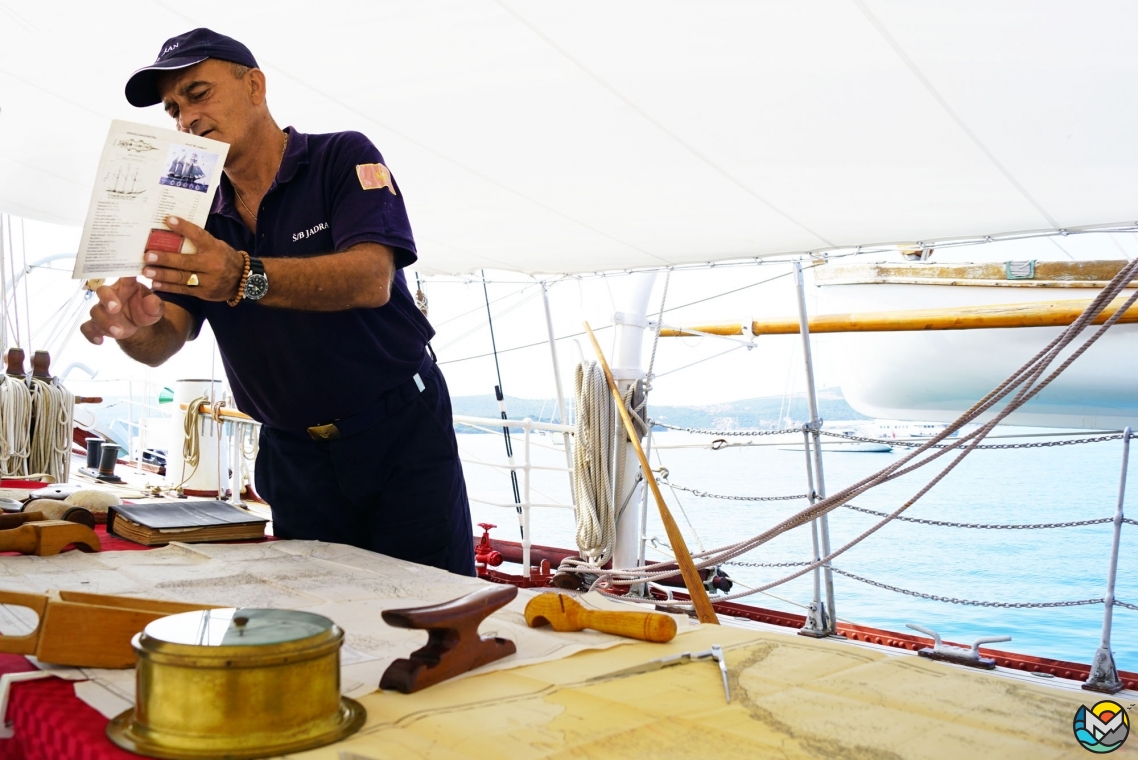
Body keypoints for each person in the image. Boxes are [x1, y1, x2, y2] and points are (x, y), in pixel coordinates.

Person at [80, 28, 475, 576]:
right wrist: (131, 328)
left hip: (400, 436)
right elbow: (163, 338)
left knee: (439, 613)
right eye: (173, 109)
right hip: (293, 457)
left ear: (255, 86)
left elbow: (371, 278)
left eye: (198, 93)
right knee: (321, 626)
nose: (186, 119)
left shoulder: (341, 156)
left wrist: (242, 275)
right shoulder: (192, 212)